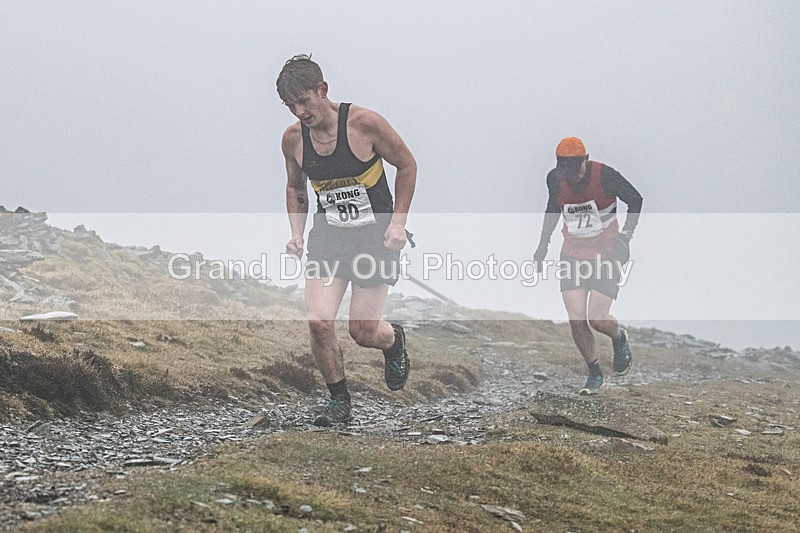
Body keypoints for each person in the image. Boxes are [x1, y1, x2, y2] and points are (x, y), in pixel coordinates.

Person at [277, 55, 417, 425]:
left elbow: (407, 164)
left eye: (304, 100)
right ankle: (338, 401)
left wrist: (398, 223)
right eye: (290, 104)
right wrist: (295, 233)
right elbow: (295, 186)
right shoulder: (293, 139)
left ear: (322, 90)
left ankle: (394, 341)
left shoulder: (364, 124)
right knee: (319, 321)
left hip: (375, 239)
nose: (299, 110)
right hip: (328, 239)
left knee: (363, 331)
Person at [534, 137, 643, 395]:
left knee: (597, 319)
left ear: (585, 160)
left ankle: (619, 337)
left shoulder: (605, 176)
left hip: (608, 255)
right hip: (572, 254)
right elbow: (552, 209)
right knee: (576, 319)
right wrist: (542, 245)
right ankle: (594, 372)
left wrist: (626, 236)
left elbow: (636, 200)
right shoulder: (556, 179)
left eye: (574, 170)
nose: (569, 177)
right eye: (564, 171)